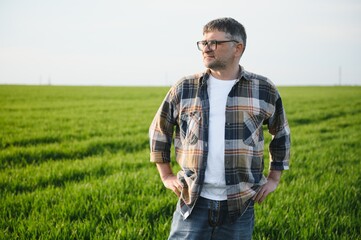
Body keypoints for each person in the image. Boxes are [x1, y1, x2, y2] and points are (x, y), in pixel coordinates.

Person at [149, 17, 291, 240]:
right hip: (193, 202)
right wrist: (166, 175)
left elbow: (281, 133)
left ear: (238, 48)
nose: (206, 48)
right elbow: (160, 130)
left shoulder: (263, 89)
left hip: (240, 204)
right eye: (203, 42)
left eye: (214, 43)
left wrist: (274, 178)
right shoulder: (185, 87)